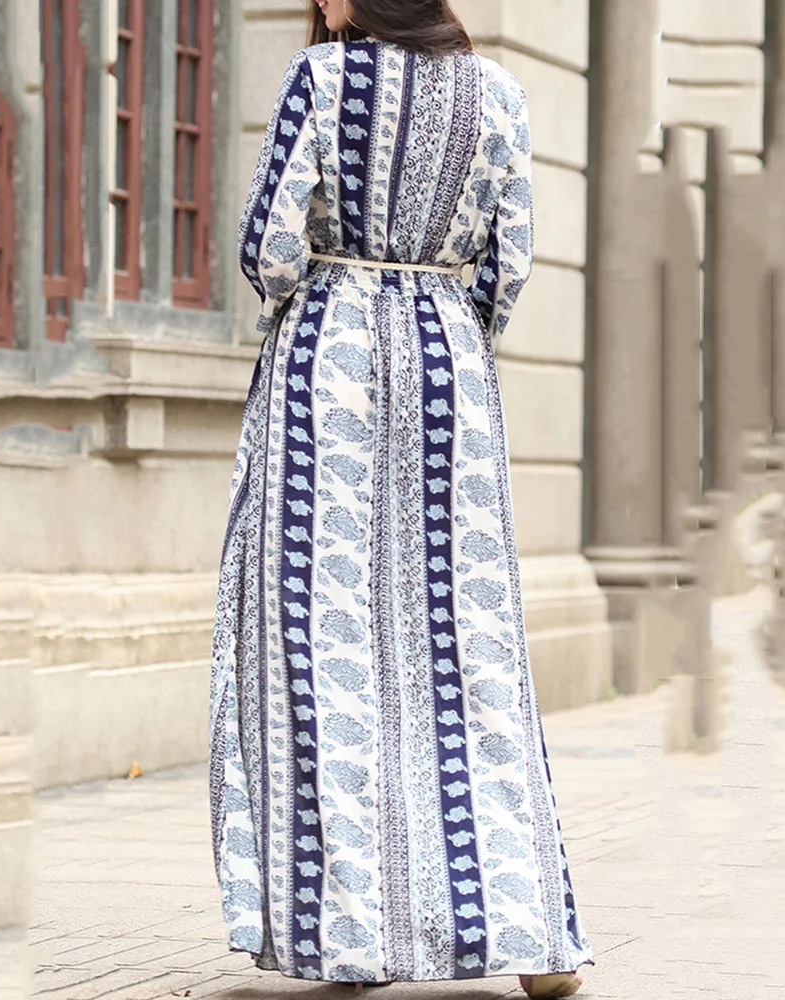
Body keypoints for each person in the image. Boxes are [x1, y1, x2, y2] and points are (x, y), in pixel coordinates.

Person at [208, 0, 594, 996]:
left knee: (324, 644)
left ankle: (355, 931)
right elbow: (509, 265)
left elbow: (267, 250)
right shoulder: (499, 93)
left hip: (327, 366)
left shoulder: (320, 81)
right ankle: (532, 932)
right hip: (445, 370)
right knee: (470, 644)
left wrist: (335, 293)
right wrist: (441, 318)